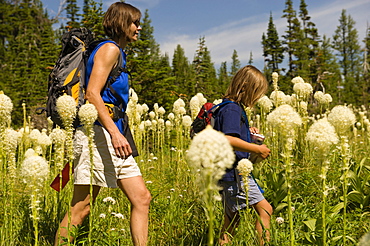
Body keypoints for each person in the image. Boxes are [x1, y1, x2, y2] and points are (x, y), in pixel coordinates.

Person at [54, 2, 151, 246]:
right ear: (121, 23)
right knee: (81, 208)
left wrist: (118, 134)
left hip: (112, 132)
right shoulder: (110, 50)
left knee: (141, 198)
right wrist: (115, 134)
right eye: (134, 22)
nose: (139, 28)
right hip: (97, 133)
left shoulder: (117, 51)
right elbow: (93, 94)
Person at [213, 65, 273, 245]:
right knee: (266, 210)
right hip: (234, 175)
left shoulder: (227, 106)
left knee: (231, 220)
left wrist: (248, 132)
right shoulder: (232, 109)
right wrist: (258, 149)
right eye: (256, 92)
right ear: (245, 87)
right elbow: (228, 139)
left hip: (227, 173)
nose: (257, 98)